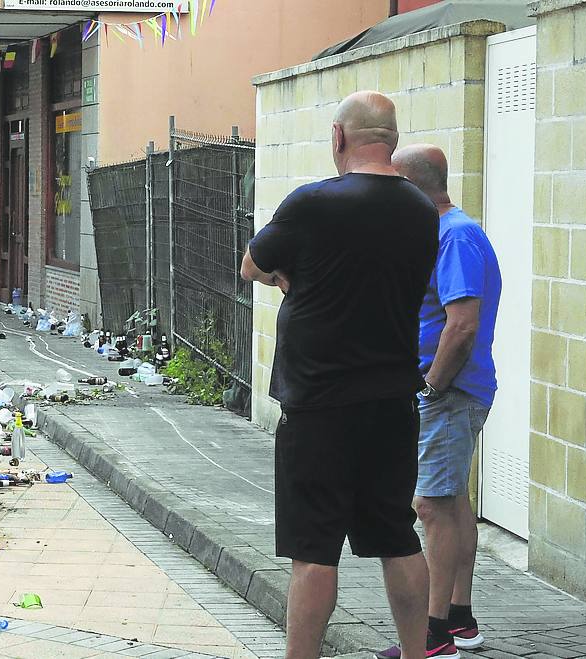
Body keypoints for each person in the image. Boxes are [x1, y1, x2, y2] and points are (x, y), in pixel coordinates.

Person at [240, 91, 440, 659]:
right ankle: (416, 653)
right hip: (391, 400)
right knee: (397, 535)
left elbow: (252, 264)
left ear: (338, 138)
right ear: (392, 142)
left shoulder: (313, 203)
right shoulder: (420, 211)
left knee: (315, 548)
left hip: (319, 402)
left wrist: (288, 279)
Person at [371, 145, 501, 659]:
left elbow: (462, 324)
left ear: (410, 184)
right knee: (450, 503)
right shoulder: (446, 232)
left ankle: (434, 633)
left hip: (449, 392)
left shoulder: (455, 236)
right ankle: (460, 619)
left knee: (431, 505)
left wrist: (432, 387)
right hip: (451, 391)